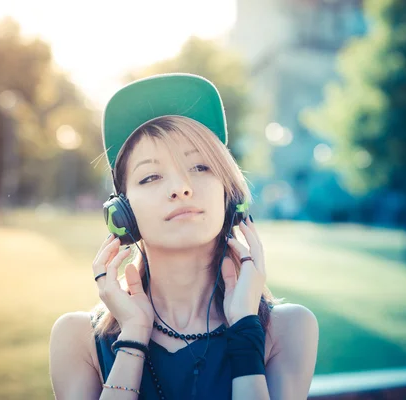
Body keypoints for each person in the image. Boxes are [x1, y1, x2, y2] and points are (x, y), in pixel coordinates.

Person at [49, 73, 319, 400]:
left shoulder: (287, 329)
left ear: (230, 195)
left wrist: (246, 331)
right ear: (122, 214)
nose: (181, 188)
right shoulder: (77, 338)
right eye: (151, 176)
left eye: (200, 167)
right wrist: (133, 336)